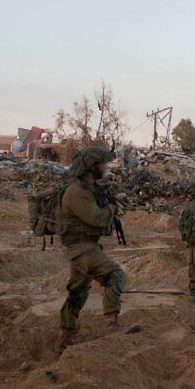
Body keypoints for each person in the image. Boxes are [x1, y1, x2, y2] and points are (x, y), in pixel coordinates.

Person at [53, 147, 137, 356]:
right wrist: (111, 208)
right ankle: (112, 325)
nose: (105, 167)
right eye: (102, 164)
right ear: (92, 167)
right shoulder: (76, 192)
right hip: (80, 247)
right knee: (115, 276)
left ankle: (63, 340)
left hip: (85, 245)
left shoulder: (87, 188)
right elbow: (97, 218)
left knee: (78, 291)